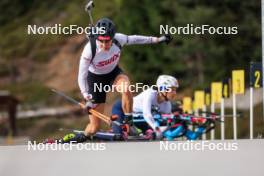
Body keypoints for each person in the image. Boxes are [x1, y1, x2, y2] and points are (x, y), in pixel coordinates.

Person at [71, 18, 172, 142]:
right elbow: (81, 76)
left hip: (114, 73)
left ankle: (129, 122)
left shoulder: (119, 39)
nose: (103, 45)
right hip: (95, 79)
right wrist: (86, 97)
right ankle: (82, 136)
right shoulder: (89, 50)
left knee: (126, 88)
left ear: (112, 38)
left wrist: (157, 40)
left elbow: (135, 39)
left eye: (107, 41)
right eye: (100, 41)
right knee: (94, 128)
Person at [112, 75, 178, 139]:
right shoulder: (150, 93)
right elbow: (146, 114)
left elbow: (166, 120)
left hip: (138, 118)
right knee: (119, 137)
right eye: (172, 89)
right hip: (122, 108)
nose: (174, 93)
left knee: (148, 136)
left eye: (175, 90)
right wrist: (156, 128)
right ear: (162, 89)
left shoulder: (167, 104)